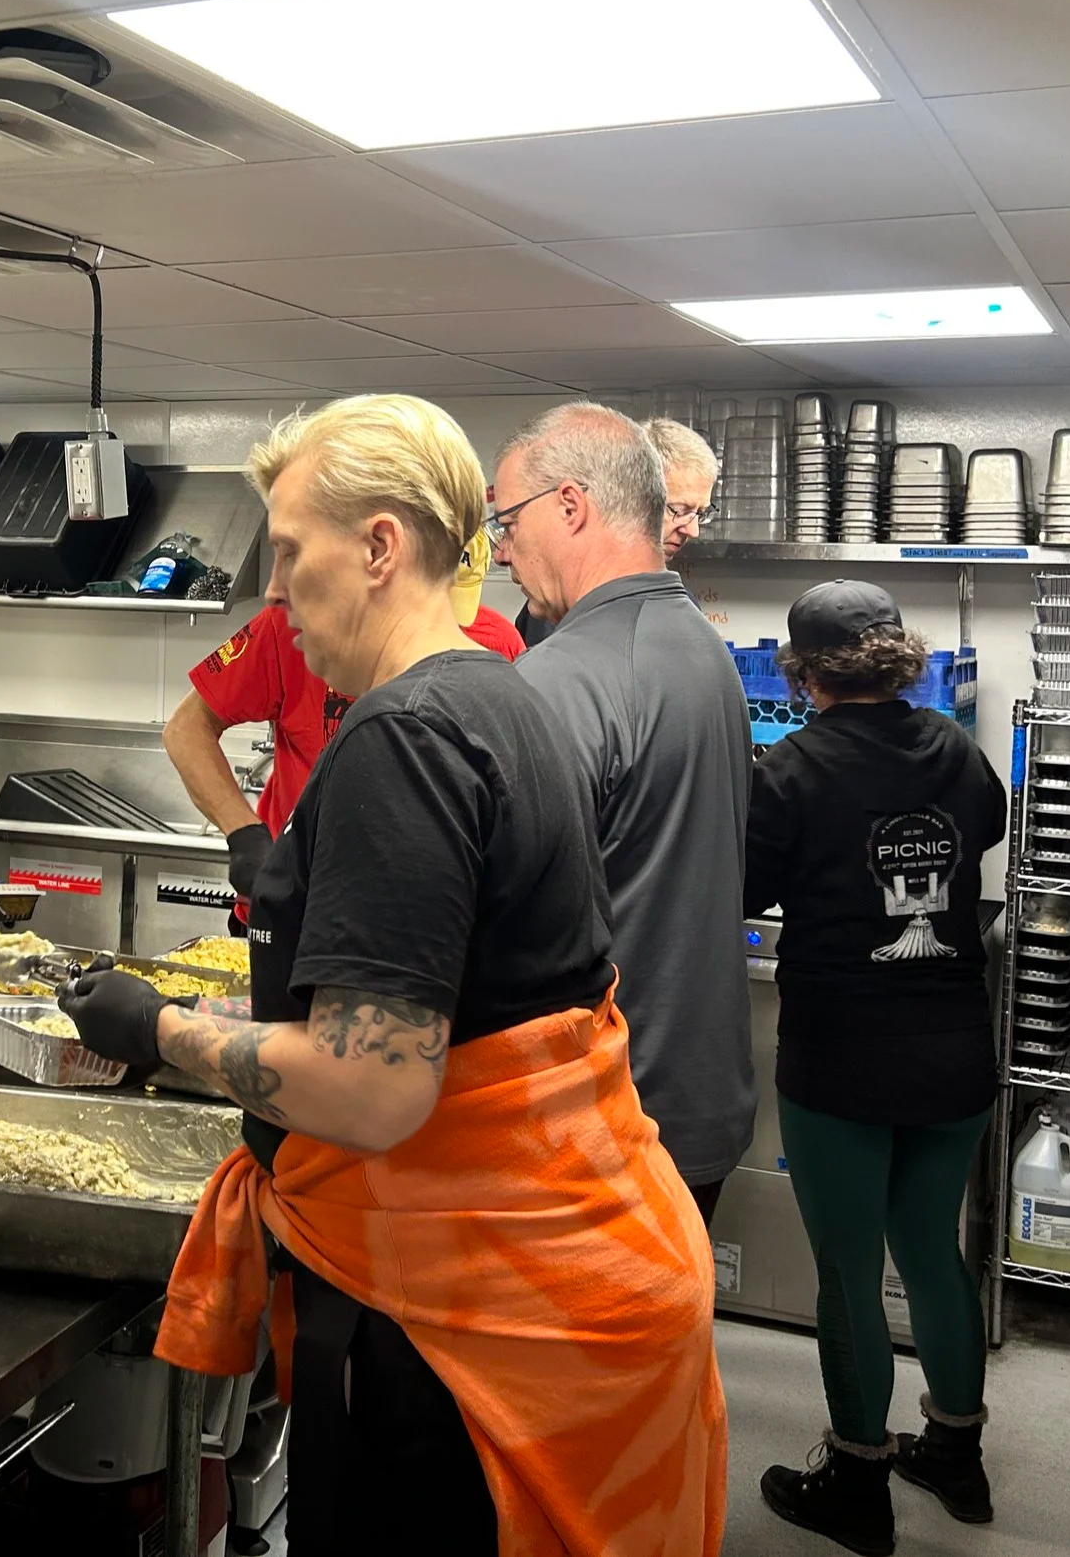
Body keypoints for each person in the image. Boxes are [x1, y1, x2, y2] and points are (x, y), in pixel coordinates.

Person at [63, 394, 726, 1557]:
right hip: (559, 1272)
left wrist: (160, 1028)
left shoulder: (402, 738)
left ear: (378, 547)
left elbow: (375, 1086)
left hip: (465, 1325)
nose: (271, 591)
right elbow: (470, 1002)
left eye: (286, 552)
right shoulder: (499, 695)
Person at [743, 581, 1007, 1554]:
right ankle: (954, 1452)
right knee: (933, 1250)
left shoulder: (790, 767)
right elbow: (981, 827)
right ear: (896, 658)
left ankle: (856, 1479)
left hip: (840, 1052)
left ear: (800, 671)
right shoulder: (952, 746)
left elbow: (745, 884)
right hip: (951, 1046)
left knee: (847, 1273)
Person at [496, 402, 753, 1220]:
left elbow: (504, 929)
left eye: (507, 520)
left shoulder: (562, 678)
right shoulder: (700, 646)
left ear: (570, 506)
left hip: (600, 1123)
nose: (501, 549)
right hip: (690, 1095)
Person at [164, 526, 523, 919]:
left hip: (418, 924)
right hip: (294, 913)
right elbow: (187, 729)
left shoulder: (498, 647)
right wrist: (245, 835)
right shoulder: (295, 625)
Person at [515, 416, 716, 650]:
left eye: (700, 513)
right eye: (680, 510)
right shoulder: (560, 604)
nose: (693, 530)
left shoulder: (681, 607)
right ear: (632, 495)